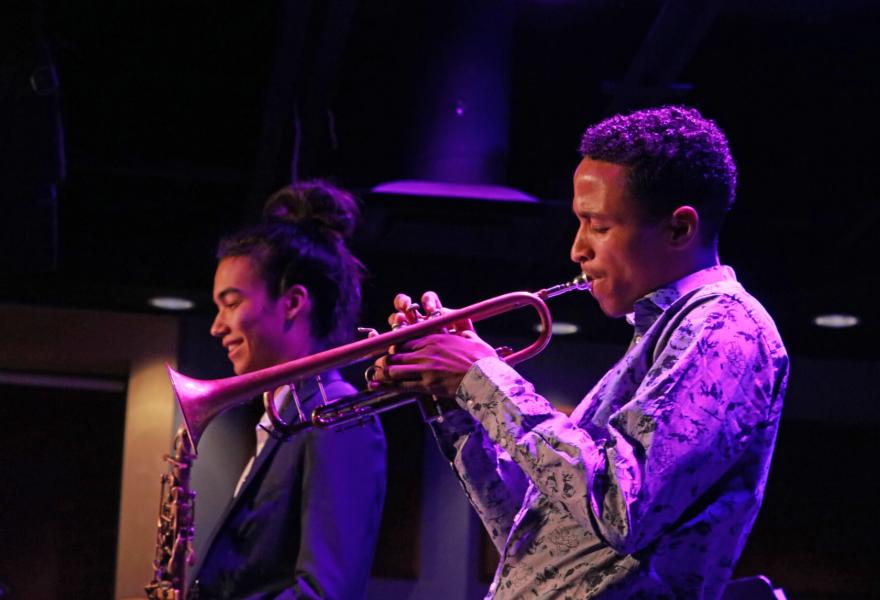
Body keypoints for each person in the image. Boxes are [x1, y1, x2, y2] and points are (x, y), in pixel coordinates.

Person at [370, 106, 789, 599]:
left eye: (599, 226)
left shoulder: (726, 331)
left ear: (679, 229)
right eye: (579, 223)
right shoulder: (664, 336)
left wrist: (481, 377)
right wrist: (454, 405)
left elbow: (621, 510)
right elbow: (539, 540)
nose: (577, 249)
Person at [193, 180, 387, 599]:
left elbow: (325, 592)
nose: (216, 326)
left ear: (293, 302)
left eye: (231, 303)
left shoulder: (338, 418)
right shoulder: (287, 418)